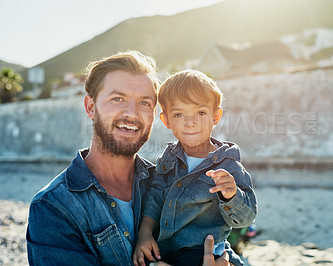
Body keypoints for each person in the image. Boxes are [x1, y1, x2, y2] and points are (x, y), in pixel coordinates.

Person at [26, 51, 229, 266]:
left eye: (144, 103)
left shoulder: (171, 181)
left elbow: (221, 248)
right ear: (90, 107)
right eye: (117, 99)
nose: (131, 114)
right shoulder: (53, 207)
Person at [133, 70, 257, 266]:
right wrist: (145, 234)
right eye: (179, 114)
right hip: (166, 250)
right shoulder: (168, 159)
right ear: (166, 120)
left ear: (215, 116)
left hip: (205, 253)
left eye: (200, 112)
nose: (190, 122)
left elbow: (245, 218)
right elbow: (154, 199)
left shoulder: (228, 165)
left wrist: (231, 195)